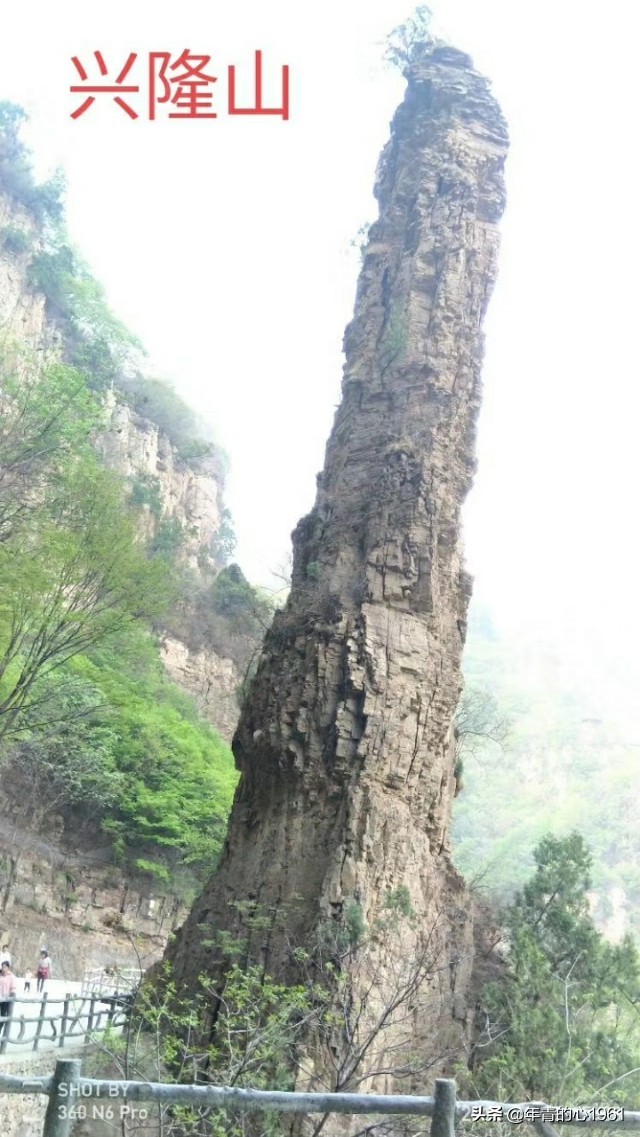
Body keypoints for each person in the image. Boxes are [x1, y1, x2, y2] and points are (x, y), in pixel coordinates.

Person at [0, 961, 16, 1037]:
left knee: (3, 1016)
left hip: (5, 1000)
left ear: (8, 968)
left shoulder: (11, 976)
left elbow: (13, 988)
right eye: (2, 967)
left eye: (4, 967)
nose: (3, 969)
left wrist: (11, 995)